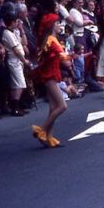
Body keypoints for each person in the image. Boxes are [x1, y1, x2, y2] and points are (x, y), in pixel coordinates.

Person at [32, 13, 71, 148]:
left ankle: (49, 137)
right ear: (52, 25)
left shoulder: (50, 39)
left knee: (53, 108)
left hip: (51, 74)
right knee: (62, 106)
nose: (60, 25)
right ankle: (42, 130)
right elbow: (63, 56)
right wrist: (71, 56)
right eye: (58, 23)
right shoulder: (51, 40)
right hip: (50, 76)